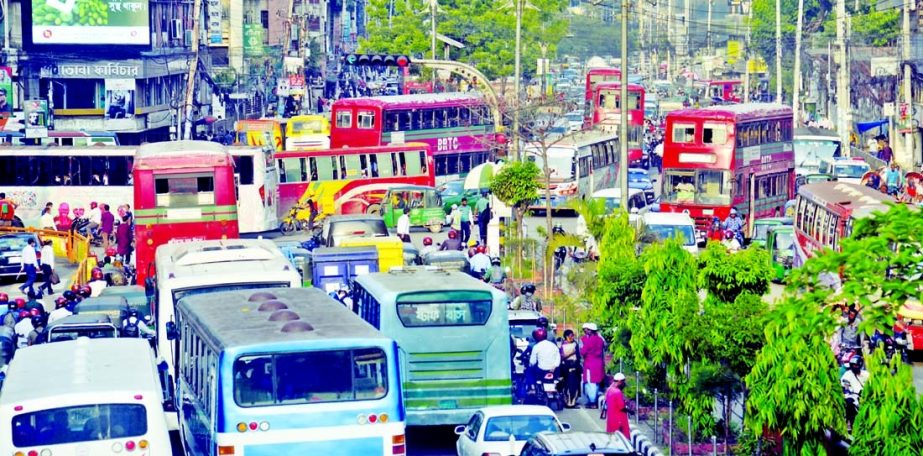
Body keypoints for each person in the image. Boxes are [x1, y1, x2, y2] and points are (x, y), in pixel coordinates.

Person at [579, 322, 606, 408]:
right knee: (596, 383)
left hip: (590, 364)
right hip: (599, 363)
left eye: (586, 330)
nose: (585, 331)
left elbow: (583, 352)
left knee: (591, 383)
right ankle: (593, 401)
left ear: (590, 331)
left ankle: (592, 402)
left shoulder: (589, 340)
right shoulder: (600, 339)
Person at [527, 327, 561, 392]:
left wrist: (530, 365)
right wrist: (554, 366)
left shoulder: (536, 347)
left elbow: (532, 361)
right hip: (554, 370)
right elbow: (558, 358)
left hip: (541, 371)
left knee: (528, 371)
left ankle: (532, 387)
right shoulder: (553, 345)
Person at [841, 355, 868, 431]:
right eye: (853, 365)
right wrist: (850, 395)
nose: (854, 367)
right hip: (853, 397)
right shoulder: (847, 375)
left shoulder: (866, 374)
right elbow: (845, 388)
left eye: (856, 365)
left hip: (865, 397)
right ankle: (851, 424)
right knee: (849, 403)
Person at [605, 372, 631, 438]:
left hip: (611, 418)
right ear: (619, 382)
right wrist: (630, 411)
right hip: (619, 419)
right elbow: (621, 407)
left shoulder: (609, 389)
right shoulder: (617, 392)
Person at [560, 329, 582, 408]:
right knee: (567, 384)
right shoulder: (562, 345)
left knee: (575, 384)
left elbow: (578, 356)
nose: (572, 337)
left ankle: (573, 401)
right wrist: (571, 354)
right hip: (566, 366)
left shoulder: (575, 344)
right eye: (571, 336)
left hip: (574, 366)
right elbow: (561, 357)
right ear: (566, 336)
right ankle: (567, 400)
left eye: (573, 335)